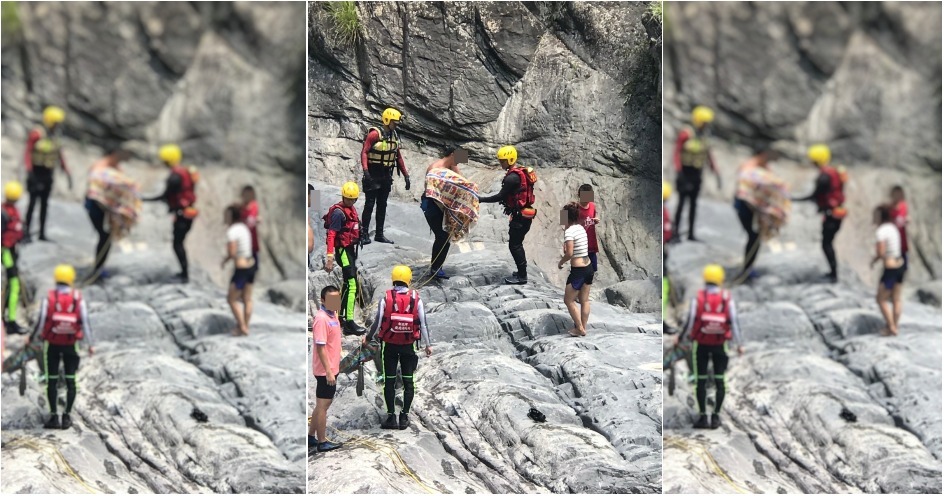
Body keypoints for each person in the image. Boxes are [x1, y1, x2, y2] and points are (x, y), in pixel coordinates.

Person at [674, 264, 744, 429]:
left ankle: (703, 417)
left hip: (701, 345)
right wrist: (739, 344)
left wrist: (680, 337)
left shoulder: (698, 297)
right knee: (720, 380)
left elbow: (690, 320)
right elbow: (734, 321)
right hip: (721, 345)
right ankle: (716, 417)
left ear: (705, 278)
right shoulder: (726, 298)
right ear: (720, 279)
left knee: (701, 381)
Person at [363, 265, 432, 430]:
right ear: (409, 280)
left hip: (390, 346)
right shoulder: (416, 299)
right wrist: (428, 345)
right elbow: (423, 323)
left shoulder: (386, 298)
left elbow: (378, 321)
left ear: (393, 279)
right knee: (409, 382)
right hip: (409, 346)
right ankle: (405, 416)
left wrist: (368, 337)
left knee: (390, 381)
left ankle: (391, 417)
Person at [29, 264, 94, 430]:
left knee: (51, 380)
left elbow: (42, 320)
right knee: (71, 380)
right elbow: (85, 322)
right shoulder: (77, 298)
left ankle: (53, 417)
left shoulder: (49, 297)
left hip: (52, 344)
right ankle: (66, 417)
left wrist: (31, 338)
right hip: (71, 344)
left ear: (56, 278)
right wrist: (90, 344)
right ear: (71, 279)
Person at [479, 145, 538, 285]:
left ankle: (522, 276)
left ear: (510, 160)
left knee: (515, 245)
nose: (501, 163)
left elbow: (500, 196)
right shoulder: (520, 172)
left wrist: (481, 199)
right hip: (524, 214)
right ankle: (521, 272)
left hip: (520, 217)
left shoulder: (512, 178)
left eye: (503, 160)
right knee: (517, 244)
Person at [144, 144, 199, 283]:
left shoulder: (174, 177)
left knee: (177, 244)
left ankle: (184, 274)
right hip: (188, 212)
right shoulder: (185, 172)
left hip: (182, 214)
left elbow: (165, 196)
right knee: (179, 243)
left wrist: (144, 199)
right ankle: (184, 272)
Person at [792, 144, 846, 283]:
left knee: (826, 244)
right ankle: (834, 273)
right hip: (837, 212)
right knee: (828, 242)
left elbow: (814, 196)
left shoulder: (823, 177)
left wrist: (793, 199)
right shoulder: (834, 172)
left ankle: (833, 275)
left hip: (831, 214)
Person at [360, 107, 410, 245]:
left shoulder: (395, 135)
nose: (397, 125)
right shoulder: (375, 134)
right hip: (373, 174)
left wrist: (406, 175)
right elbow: (364, 152)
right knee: (369, 204)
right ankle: (364, 234)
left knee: (382, 205)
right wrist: (365, 171)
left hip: (386, 175)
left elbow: (398, 156)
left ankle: (379, 234)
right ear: (387, 120)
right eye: (395, 122)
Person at [672, 105, 721, 243]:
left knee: (693, 204)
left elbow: (708, 153)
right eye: (705, 122)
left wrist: (714, 168)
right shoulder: (686, 133)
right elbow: (677, 152)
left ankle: (691, 233)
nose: (706, 124)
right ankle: (675, 233)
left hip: (697, 173)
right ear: (698, 120)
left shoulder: (705, 136)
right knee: (681, 203)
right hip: (685, 172)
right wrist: (679, 170)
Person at [23, 106, 72, 243]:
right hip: (36, 172)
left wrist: (66, 170)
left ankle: (42, 233)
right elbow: (28, 151)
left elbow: (59, 153)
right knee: (32, 203)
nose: (57, 125)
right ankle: (26, 232)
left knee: (45, 204)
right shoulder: (37, 134)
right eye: (56, 122)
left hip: (48, 173)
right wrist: (29, 171)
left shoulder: (56, 135)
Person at [323, 182, 366, 336]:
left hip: (350, 250)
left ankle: (341, 317)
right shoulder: (338, 213)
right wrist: (330, 256)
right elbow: (332, 234)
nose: (350, 202)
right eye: (348, 199)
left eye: (353, 200)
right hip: (342, 251)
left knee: (348, 284)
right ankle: (349, 322)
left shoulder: (350, 209)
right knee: (352, 284)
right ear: (343, 197)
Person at [85, 149, 134, 279]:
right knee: (104, 235)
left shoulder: (116, 167)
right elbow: (96, 181)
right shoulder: (100, 165)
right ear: (112, 154)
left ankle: (99, 266)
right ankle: (98, 268)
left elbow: (122, 182)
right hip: (94, 205)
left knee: (106, 236)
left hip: (107, 207)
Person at [309, 285, 344, 453]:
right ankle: (322, 442)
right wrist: (329, 371)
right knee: (323, 405)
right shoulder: (321, 319)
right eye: (331, 299)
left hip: (331, 367)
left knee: (321, 404)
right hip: (325, 371)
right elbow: (321, 347)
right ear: (323, 300)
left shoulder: (333, 314)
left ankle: (310, 437)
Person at [420, 147, 463, 280]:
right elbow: (429, 189)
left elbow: (461, 181)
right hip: (432, 205)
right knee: (442, 236)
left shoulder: (451, 166)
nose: (458, 163)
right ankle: (435, 268)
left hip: (443, 206)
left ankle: (437, 266)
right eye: (457, 158)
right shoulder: (435, 168)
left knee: (444, 237)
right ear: (451, 155)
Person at [559, 203, 593, 337]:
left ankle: (579, 328)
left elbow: (570, 253)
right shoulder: (580, 228)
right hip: (588, 267)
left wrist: (561, 262)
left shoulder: (569, 232)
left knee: (568, 300)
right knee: (584, 300)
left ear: (566, 217)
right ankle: (583, 327)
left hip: (578, 271)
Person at [222, 205, 256, 336]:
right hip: (251, 264)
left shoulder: (232, 231)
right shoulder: (243, 228)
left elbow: (232, 252)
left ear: (231, 216)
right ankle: (245, 325)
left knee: (231, 299)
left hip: (241, 268)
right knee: (247, 298)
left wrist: (225, 260)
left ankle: (242, 327)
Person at [872, 204, 904, 337]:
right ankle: (895, 325)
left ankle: (891, 327)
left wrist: (873, 260)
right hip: (900, 264)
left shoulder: (881, 231)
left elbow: (881, 252)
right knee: (896, 298)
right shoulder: (893, 228)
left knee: (881, 299)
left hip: (890, 267)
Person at [2, 182, 25, 334]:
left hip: (9, 250)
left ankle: (7, 318)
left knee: (12, 285)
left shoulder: (6, 210)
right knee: (14, 284)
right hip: (6, 252)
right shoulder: (5, 213)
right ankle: (10, 320)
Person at [577, 184, 601, 272]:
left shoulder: (592, 206)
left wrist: (596, 221)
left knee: (593, 269)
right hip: (580, 245)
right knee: (581, 271)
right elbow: (564, 220)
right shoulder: (574, 207)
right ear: (579, 195)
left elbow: (593, 218)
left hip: (591, 244)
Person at [240, 186, 261, 269]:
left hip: (252, 238)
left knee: (254, 265)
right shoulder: (241, 208)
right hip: (244, 239)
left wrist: (257, 219)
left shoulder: (254, 205)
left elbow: (255, 217)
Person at [890, 186, 909, 273]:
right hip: (893, 241)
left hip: (902, 240)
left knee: (903, 267)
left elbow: (905, 218)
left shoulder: (903, 206)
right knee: (892, 268)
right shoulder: (890, 208)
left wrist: (907, 219)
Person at [662, 182, 672, 320]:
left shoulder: (663, 210)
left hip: (664, 250)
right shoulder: (664, 212)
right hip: (663, 251)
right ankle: (663, 318)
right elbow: (668, 232)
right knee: (665, 285)